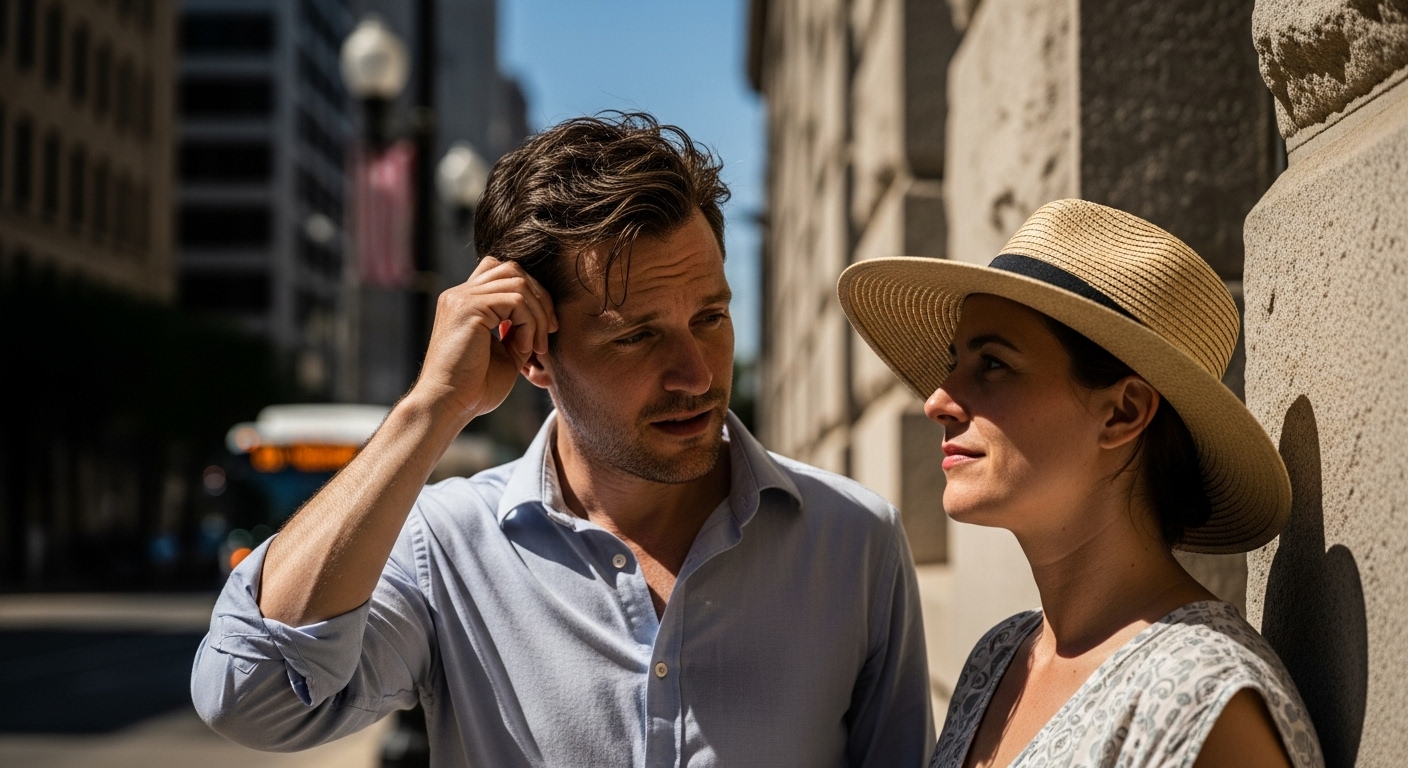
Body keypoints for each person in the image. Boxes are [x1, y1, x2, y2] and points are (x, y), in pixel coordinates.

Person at [191, 113, 934, 767]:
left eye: (710, 318)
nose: (696, 374)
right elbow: (253, 694)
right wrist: (429, 411)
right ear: (533, 352)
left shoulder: (854, 541)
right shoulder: (445, 548)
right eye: (639, 336)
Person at [837, 199, 1324, 768]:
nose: (937, 401)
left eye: (992, 363)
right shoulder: (998, 659)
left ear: (1122, 413)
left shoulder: (1203, 699)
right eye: (955, 362)